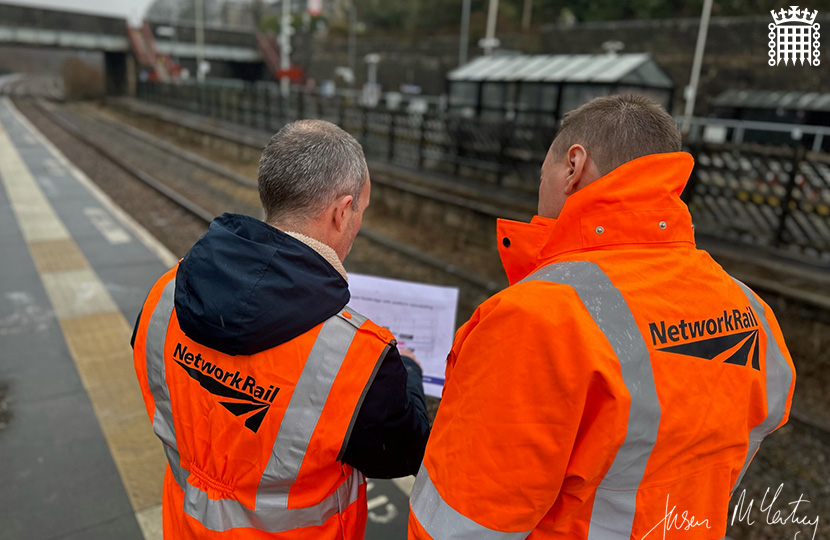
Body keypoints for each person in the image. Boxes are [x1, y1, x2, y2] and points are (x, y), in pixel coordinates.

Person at [408, 94, 796, 540]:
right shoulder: (749, 308)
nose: (540, 192)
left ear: (574, 166)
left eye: (544, 175)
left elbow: (461, 524)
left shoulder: (536, 318)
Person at [132, 119, 429, 539]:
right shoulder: (357, 360)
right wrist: (410, 374)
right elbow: (404, 453)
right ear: (342, 212)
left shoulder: (165, 294)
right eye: (360, 209)